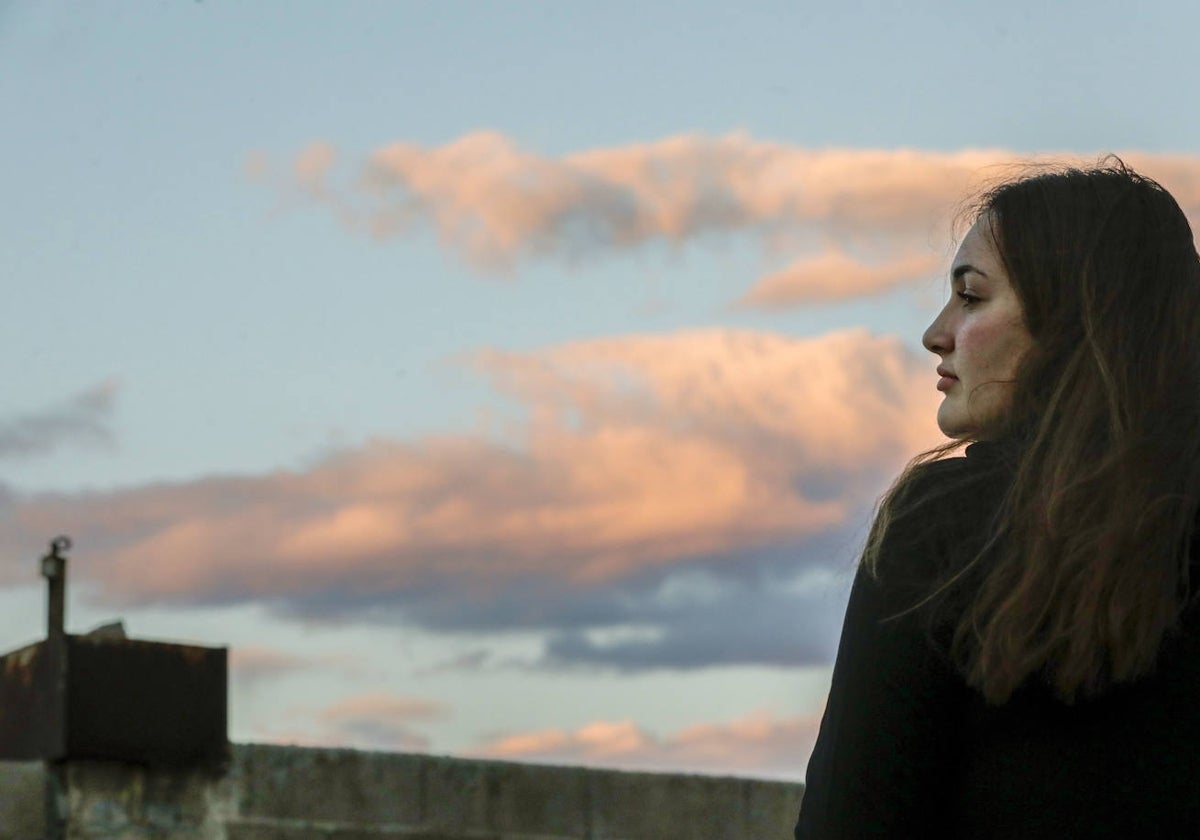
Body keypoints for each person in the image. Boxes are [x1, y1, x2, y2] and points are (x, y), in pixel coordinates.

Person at [793, 159, 1200, 838]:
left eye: (972, 296)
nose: (936, 333)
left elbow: (851, 817)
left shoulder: (947, 524)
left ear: (1073, 320)